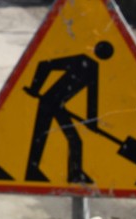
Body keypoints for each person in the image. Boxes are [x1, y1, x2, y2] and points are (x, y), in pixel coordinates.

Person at [22, 41, 114, 184]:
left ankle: (74, 174)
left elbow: (92, 99)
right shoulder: (81, 61)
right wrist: (35, 88)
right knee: (41, 136)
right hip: (48, 102)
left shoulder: (93, 68)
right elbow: (45, 64)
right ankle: (33, 171)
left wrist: (92, 122)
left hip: (58, 105)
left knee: (72, 139)